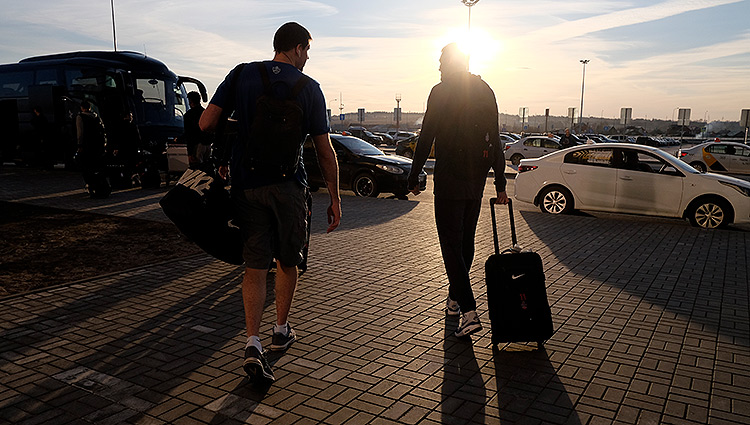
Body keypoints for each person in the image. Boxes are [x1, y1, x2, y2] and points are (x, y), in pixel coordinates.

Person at [199, 22, 341, 385]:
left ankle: (251, 342)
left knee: (255, 266)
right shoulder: (310, 89)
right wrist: (336, 198)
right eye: (307, 50)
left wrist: (240, 125)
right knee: (288, 261)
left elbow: (205, 121)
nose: (307, 58)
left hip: (247, 187)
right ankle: (280, 330)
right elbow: (325, 153)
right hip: (289, 187)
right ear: (295, 48)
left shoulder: (243, 74)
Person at [407, 43, 508, 339]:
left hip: (450, 178)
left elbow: (426, 136)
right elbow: (496, 138)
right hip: (476, 179)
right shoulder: (485, 89)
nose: (438, 67)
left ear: (450, 63)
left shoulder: (441, 92)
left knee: (450, 246)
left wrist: (414, 175)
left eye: (441, 61)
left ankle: (469, 311)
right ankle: (454, 300)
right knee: (465, 242)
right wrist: (500, 182)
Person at [76, 100, 108, 197]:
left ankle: (91, 185)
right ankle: (99, 185)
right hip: (97, 146)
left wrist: (79, 145)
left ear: (82, 107)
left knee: (86, 167)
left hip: (86, 146)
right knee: (96, 167)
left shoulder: (80, 117)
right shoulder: (96, 116)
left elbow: (80, 133)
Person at [183, 91, 211, 166]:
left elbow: (189, 135)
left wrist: (190, 153)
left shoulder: (188, 115)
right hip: (207, 145)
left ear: (190, 101)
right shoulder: (205, 113)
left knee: (196, 167)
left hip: (197, 146)